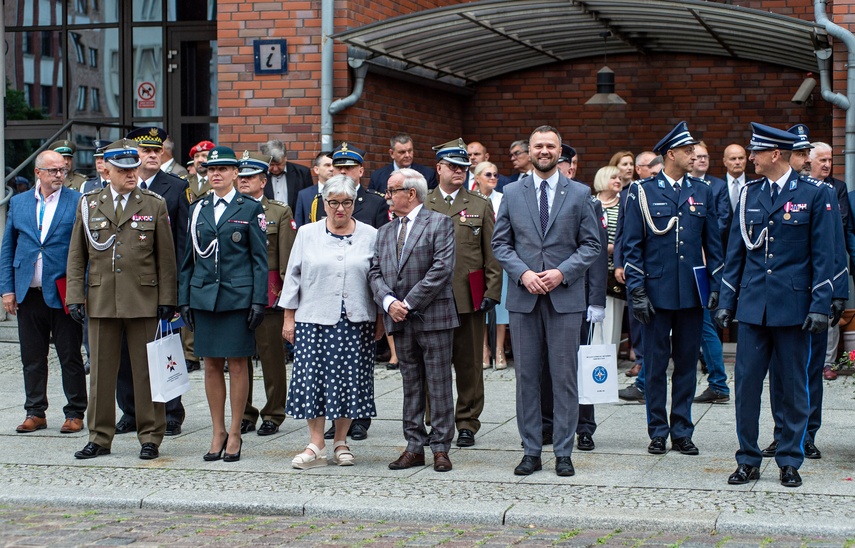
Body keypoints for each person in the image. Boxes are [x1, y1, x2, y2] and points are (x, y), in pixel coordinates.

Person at [715, 123, 834, 488]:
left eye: (756, 151)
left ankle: (789, 459)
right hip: (752, 306)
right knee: (747, 386)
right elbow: (735, 253)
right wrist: (726, 299)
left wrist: (820, 304)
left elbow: (825, 255)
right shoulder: (750, 194)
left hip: (794, 306)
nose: (750, 158)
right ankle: (748, 458)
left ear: (775, 155)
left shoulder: (815, 193)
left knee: (795, 386)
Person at [492, 125, 601, 476]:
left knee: (564, 377)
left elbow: (592, 245)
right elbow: (500, 244)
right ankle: (531, 451)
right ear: (529, 151)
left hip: (564, 299)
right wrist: (523, 273)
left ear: (559, 151)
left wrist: (562, 272)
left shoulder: (580, 193)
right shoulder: (511, 192)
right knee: (526, 376)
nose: (544, 151)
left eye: (550, 146)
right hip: (524, 298)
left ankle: (564, 452)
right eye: (538, 146)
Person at [66, 139, 177, 460]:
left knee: (145, 372)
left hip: (143, 298)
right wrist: (75, 295)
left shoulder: (153, 204)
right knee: (101, 373)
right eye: (124, 170)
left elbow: (165, 258)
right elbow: (77, 255)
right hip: (101, 299)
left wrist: (167, 299)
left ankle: (150, 436)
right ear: (107, 171)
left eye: (134, 168)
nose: (132, 174)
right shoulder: (89, 204)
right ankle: (100, 437)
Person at [622, 121, 723, 457]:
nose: (694, 154)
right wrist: (636, 290)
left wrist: (715, 286)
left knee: (686, 363)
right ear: (671, 155)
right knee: (654, 364)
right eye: (687, 150)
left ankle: (682, 429)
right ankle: (657, 430)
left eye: (694, 149)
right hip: (655, 290)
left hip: (691, 291)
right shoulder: (642, 191)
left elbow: (713, 245)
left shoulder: (702, 190)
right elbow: (632, 245)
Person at [755, 130, 849, 462]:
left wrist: (837, 293)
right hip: (787, 298)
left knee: (808, 371)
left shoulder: (823, 192)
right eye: (802, 154)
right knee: (781, 372)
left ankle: (806, 433)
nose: (807, 160)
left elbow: (834, 247)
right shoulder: (776, 191)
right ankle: (783, 434)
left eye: (808, 153)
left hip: (815, 295)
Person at [280, 175, 381, 469]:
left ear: (354, 203)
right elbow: (293, 275)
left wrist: (380, 319)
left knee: (349, 381)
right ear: (324, 203)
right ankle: (316, 444)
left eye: (347, 202)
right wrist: (289, 317)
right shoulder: (307, 233)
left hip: (356, 319)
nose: (340, 209)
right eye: (334, 202)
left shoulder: (371, 235)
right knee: (314, 379)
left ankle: (341, 441)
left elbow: (378, 279)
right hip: (313, 317)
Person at [178, 146, 268, 463]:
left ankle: (234, 432)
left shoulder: (249, 208)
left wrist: (259, 300)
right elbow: (187, 258)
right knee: (211, 365)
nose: (216, 174)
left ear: (234, 174)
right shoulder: (197, 209)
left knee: (239, 363)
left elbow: (259, 260)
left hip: (238, 298)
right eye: (211, 170)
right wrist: (184, 298)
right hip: (204, 297)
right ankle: (217, 431)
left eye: (224, 169)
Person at [368, 168, 458, 472]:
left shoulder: (440, 223)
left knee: (439, 383)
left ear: (411, 193)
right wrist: (389, 302)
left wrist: (407, 302)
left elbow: (442, 269)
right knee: (411, 384)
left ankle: (441, 447)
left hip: (433, 317)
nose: (387, 196)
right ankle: (414, 446)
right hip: (399, 319)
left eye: (392, 190)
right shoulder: (384, 231)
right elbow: (374, 272)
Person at [1, 150, 87, 434]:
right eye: (53, 171)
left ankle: (75, 412)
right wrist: (7, 290)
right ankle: (35, 411)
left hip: (64, 291)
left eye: (62, 170)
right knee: (32, 357)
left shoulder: (77, 201)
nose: (59, 175)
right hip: (29, 291)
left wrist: (81, 290)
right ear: (38, 173)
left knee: (69, 355)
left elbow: (86, 250)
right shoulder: (19, 202)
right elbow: (8, 249)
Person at [113, 127, 191, 437]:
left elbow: (183, 243)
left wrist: (177, 290)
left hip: (161, 285)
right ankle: (130, 411)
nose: (153, 155)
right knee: (123, 352)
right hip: (126, 284)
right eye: (146, 151)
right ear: (133, 155)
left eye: (157, 151)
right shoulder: (120, 188)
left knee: (165, 349)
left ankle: (171, 411)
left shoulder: (175, 187)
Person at [424, 138, 502, 448]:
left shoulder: (479, 204)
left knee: (469, 364)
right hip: (430, 299)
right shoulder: (425, 203)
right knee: (433, 363)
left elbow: (491, 254)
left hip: (469, 296)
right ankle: (436, 421)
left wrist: (492, 291)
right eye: (453, 166)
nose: (459, 172)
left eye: (463, 167)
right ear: (439, 168)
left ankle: (467, 422)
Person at [321, 142, 391, 442]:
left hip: (362, 291)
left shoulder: (374, 204)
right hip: (329, 292)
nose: (344, 172)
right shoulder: (320, 200)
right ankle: (336, 417)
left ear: (361, 171)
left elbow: (380, 256)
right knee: (331, 364)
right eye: (339, 167)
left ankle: (359, 418)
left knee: (360, 362)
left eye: (349, 167)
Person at [236, 151, 296, 436]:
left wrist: (286, 302)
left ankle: (273, 412)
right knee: (239, 356)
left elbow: (286, 259)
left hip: (269, 296)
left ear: (263, 180)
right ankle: (245, 412)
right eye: (241, 176)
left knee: (271, 358)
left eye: (250, 177)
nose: (243, 181)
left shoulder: (278, 212)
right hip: (235, 293)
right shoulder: (230, 208)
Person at [689, 141, 731, 405]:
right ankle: (643, 382)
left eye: (704, 156)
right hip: (680, 271)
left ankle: (718, 382)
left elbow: (717, 227)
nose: (699, 160)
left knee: (704, 325)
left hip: (699, 268)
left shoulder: (712, 187)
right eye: (696, 156)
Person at [614, 151, 661, 385]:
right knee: (636, 314)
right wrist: (619, 263)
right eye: (650, 169)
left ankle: (650, 365)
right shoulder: (628, 194)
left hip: (657, 268)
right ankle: (640, 359)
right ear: (640, 170)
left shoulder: (663, 192)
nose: (654, 173)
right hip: (635, 264)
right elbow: (622, 233)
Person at [473, 161, 509, 370]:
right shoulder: (470, 200)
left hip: (500, 257)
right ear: (477, 177)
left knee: (502, 303)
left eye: (496, 174)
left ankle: (499, 349)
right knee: (480, 304)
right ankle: (484, 348)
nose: (493, 178)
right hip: (477, 258)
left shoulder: (503, 199)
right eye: (488, 174)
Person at [592, 165, 623, 348]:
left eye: (619, 178)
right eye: (614, 178)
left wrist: (614, 249)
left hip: (613, 269)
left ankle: (608, 357)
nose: (618, 181)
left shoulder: (624, 204)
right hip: (591, 269)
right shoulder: (589, 202)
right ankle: (591, 356)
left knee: (612, 316)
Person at [368, 133, 438, 192]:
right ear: (392, 153)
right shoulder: (377, 177)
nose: (407, 155)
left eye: (410, 151)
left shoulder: (428, 175)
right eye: (402, 152)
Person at [261, 139, 313, 207]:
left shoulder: (302, 173)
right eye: (271, 165)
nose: (275, 169)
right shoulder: (259, 175)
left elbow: (309, 201)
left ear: (285, 158)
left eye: (279, 164)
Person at [294, 151, 334, 227]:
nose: (332, 169)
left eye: (334, 165)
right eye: (327, 165)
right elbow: (299, 224)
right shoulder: (304, 195)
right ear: (316, 169)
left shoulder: (345, 193)